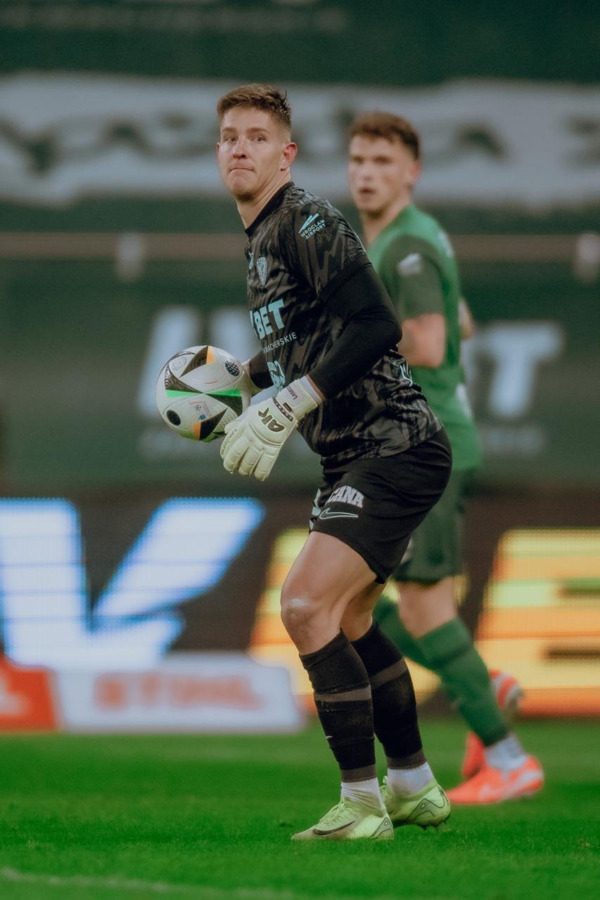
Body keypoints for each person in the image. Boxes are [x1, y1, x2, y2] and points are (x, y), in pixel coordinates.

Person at [216, 84, 453, 841]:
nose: (240, 148)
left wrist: (293, 399)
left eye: (257, 137)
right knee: (349, 619)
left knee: (303, 606)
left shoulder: (305, 220)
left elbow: (379, 323)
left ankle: (360, 804)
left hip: (393, 445)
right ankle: (412, 785)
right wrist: (248, 376)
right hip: (360, 454)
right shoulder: (263, 236)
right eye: (229, 137)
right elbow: (309, 332)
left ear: (286, 154)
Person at [347, 110, 544, 804]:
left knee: (423, 609)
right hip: (406, 442)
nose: (367, 173)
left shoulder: (406, 245)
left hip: (424, 446)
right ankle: (481, 682)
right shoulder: (411, 238)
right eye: (358, 160)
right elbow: (460, 322)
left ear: (412, 172)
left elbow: (430, 343)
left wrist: (342, 345)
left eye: (382, 161)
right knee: (352, 603)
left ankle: (509, 758)